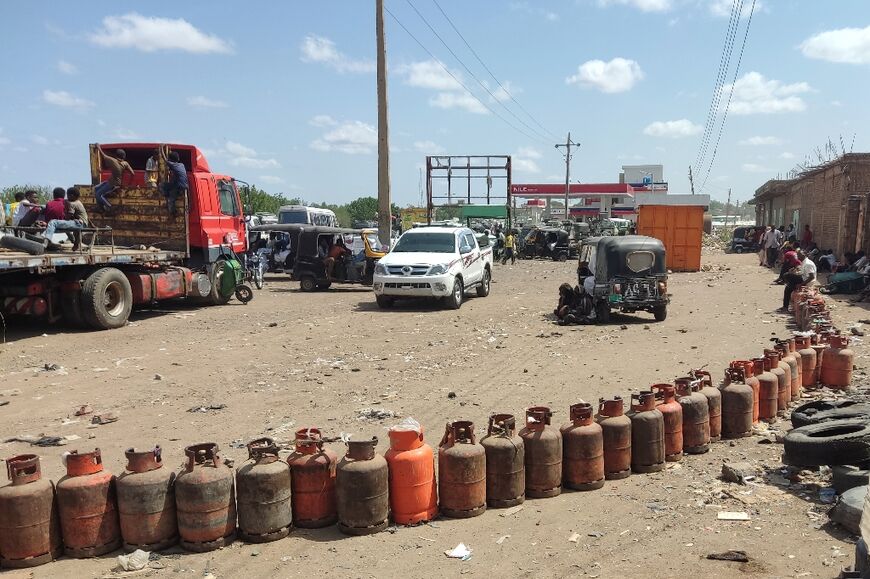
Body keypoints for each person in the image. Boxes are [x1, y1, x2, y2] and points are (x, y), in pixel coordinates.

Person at [94, 145, 134, 212]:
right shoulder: (125, 163)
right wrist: (128, 184)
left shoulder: (113, 161)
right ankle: (101, 207)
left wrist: (98, 147)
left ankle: (109, 207)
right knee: (96, 188)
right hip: (113, 182)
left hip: (112, 184)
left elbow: (103, 154)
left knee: (98, 194)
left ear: (116, 155)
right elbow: (132, 173)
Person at [161, 150, 188, 216]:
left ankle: (172, 213)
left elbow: (165, 160)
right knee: (169, 187)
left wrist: (161, 150)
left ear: (171, 159)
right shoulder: (182, 165)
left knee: (161, 186)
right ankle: (169, 196)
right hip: (185, 186)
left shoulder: (173, 164)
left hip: (178, 186)